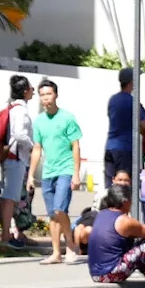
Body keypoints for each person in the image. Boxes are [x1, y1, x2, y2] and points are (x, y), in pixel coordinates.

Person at [25, 79, 85, 266]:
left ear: (56, 95)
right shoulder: (39, 122)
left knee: (60, 209)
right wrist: (30, 175)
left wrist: (76, 174)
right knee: (52, 214)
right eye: (42, 95)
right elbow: (37, 149)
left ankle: (71, 247)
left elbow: (75, 146)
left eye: (49, 94)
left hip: (65, 169)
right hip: (48, 172)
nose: (46, 98)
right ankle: (56, 253)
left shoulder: (67, 117)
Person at [0, 75, 35, 249]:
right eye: (31, 88)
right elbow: (20, 134)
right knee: (10, 198)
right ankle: (5, 236)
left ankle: (6, 233)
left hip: (12, 157)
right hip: (16, 158)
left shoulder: (13, 108)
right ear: (26, 91)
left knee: (9, 197)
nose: (33, 91)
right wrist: (31, 145)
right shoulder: (21, 110)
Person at [104, 67, 135, 191]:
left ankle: (106, 207)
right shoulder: (131, 101)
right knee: (124, 184)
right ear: (132, 82)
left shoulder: (113, 99)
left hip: (110, 146)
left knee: (110, 183)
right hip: (124, 147)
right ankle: (121, 209)